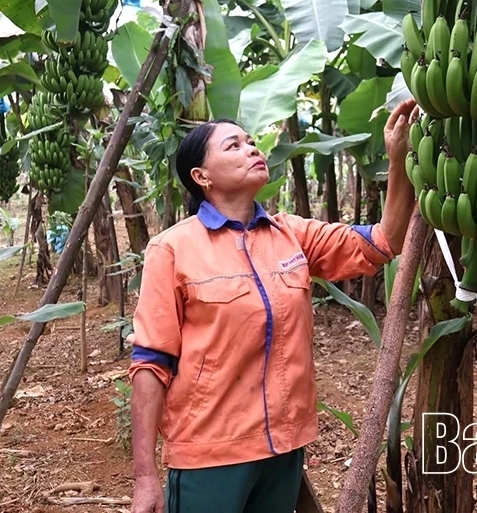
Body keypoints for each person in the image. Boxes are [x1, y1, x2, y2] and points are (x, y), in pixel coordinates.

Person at [128, 99, 418, 513]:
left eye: (251, 142)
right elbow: (150, 363)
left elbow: (383, 241)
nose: (252, 148)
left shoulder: (290, 234)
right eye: (233, 146)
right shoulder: (172, 249)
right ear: (201, 176)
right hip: (211, 454)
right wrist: (144, 478)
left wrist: (398, 160)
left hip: (284, 447)